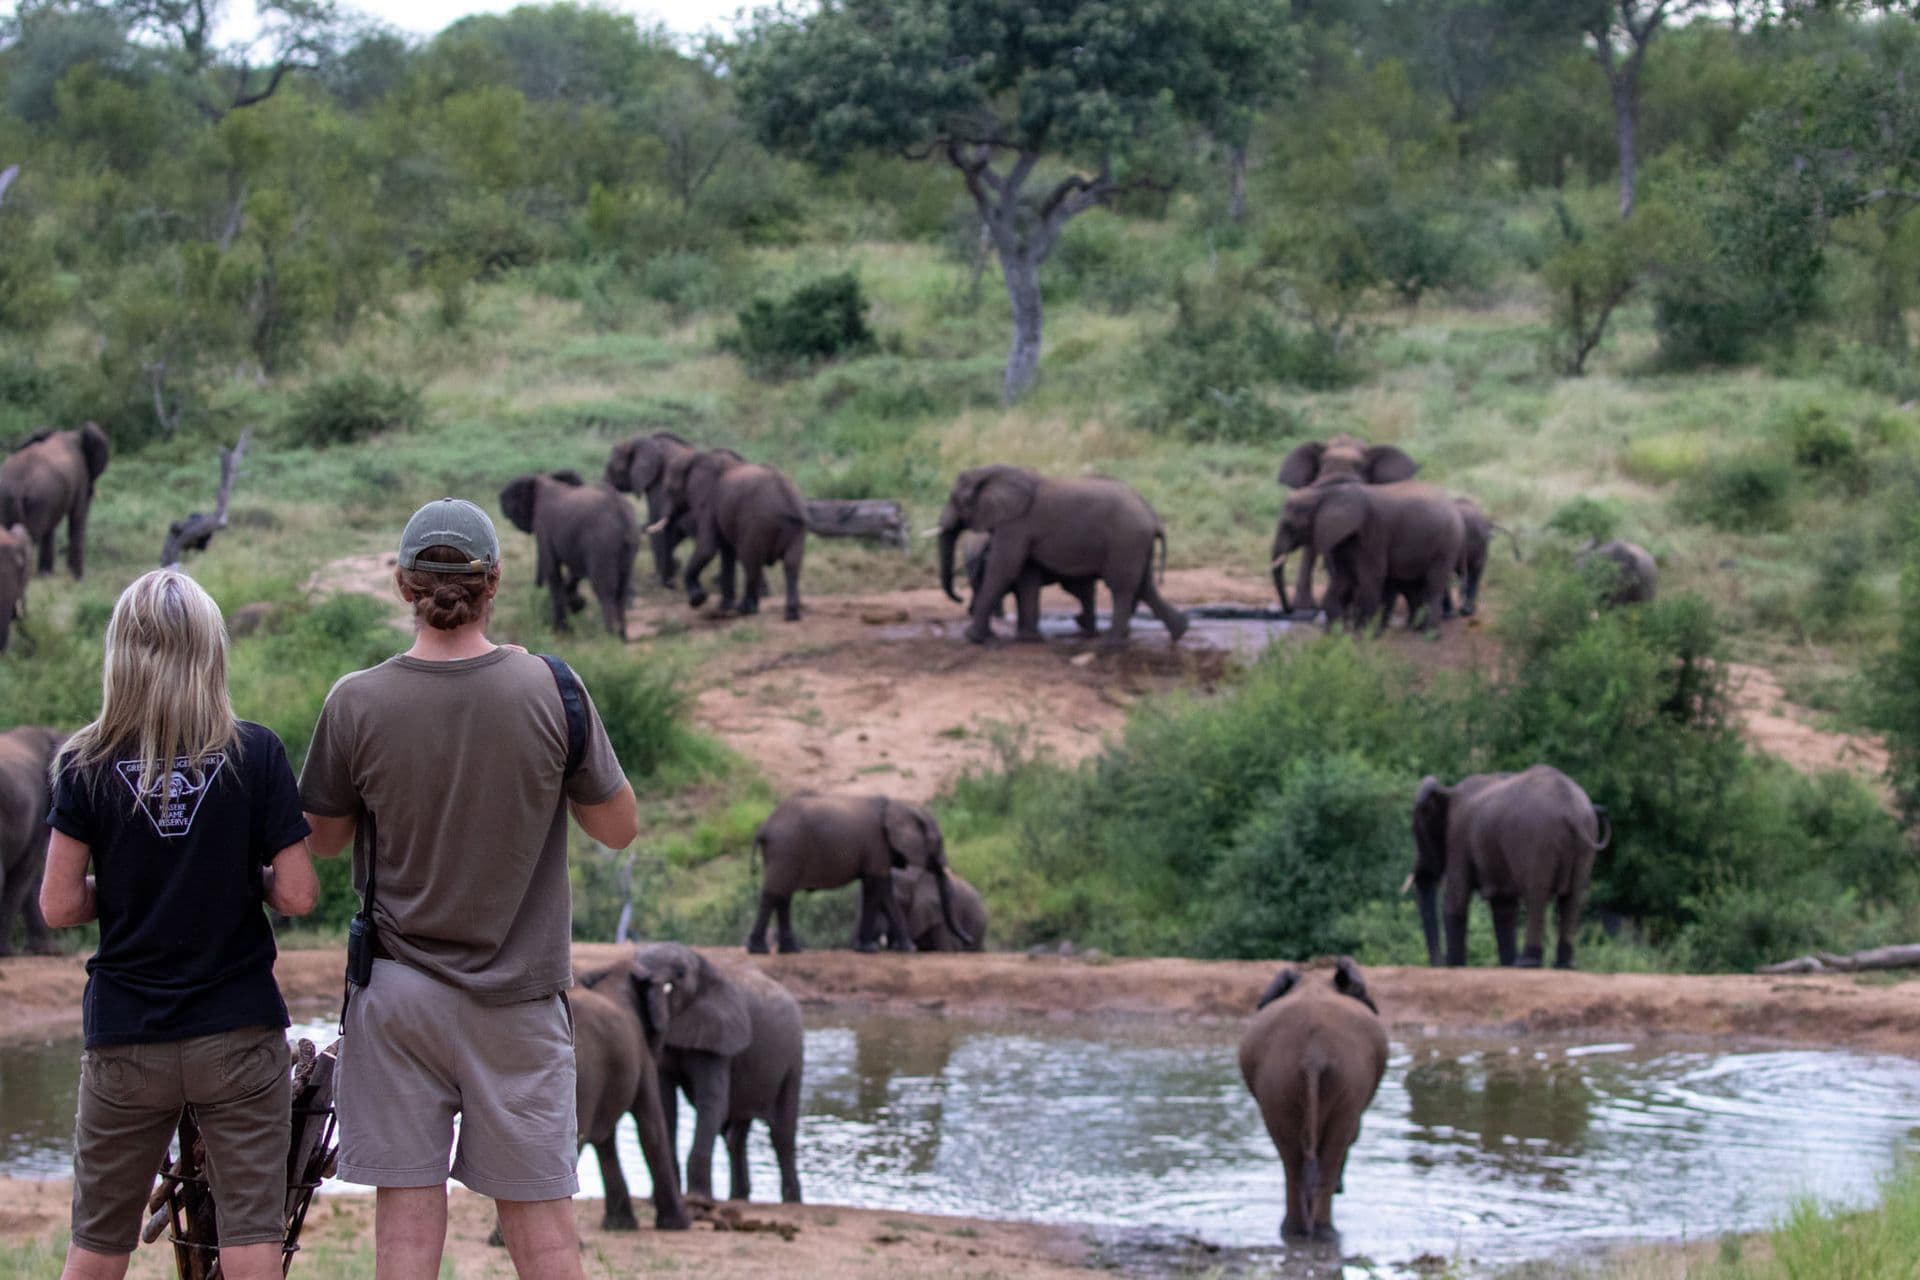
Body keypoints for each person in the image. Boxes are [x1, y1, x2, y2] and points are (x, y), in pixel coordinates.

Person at [299, 498, 638, 1280]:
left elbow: (322, 840)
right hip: (519, 1002)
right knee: (545, 1234)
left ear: (401, 585)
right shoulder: (552, 689)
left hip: (398, 999)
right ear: (496, 584)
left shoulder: (356, 700)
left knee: (408, 1235)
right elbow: (617, 828)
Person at [40, 569, 320, 1280]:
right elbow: (296, 894)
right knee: (252, 1241)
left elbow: (58, 904)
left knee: (98, 1246)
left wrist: (134, 886)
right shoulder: (255, 752)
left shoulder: (84, 762)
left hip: (127, 1037)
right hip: (236, 1030)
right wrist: (235, 879)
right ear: (211, 651)